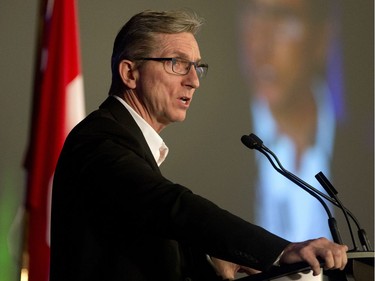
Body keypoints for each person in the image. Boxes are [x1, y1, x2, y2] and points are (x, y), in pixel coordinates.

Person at [49, 9, 348, 281]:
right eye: (177, 64)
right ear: (130, 73)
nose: (194, 81)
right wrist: (280, 250)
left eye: (197, 66)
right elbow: (171, 206)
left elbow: (142, 248)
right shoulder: (98, 141)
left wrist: (207, 258)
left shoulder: (126, 143)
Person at [238, 0, 342, 241]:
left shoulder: (363, 143)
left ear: (321, 39)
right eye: (254, 19)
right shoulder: (216, 145)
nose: (260, 46)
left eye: (284, 21)